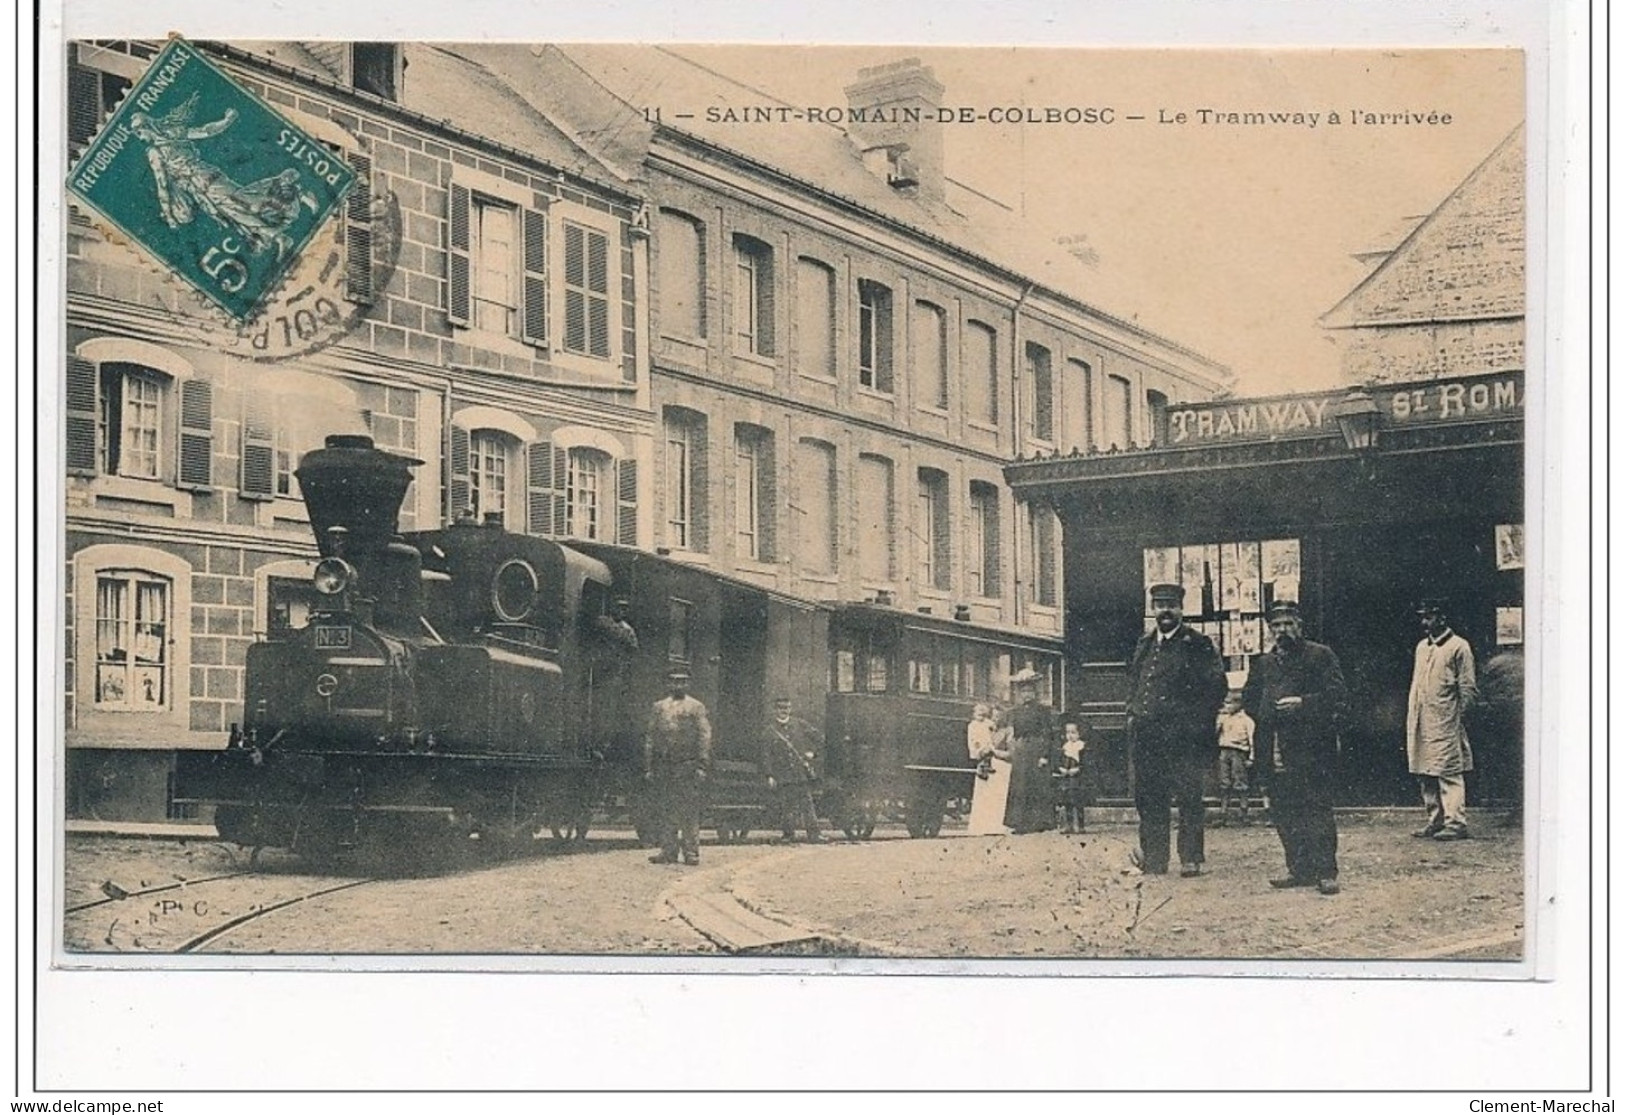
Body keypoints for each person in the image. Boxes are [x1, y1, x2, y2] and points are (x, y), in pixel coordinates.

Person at [1242, 600, 1349, 896]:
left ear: (1300, 626)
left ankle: (1326, 872)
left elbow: (1338, 696)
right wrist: (1268, 711)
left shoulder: (1320, 655)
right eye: (1276, 625)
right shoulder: (1263, 663)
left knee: (1316, 809)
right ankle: (1299, 869)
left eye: (1288, 624)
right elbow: (1249, 699)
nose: (1282, 630)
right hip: (1273, 747)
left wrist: (1303, 704)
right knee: (1284, 810)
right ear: (1269, 629)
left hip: (1311, 748)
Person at [1125, 582, 1228, 877]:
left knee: (1188, 798)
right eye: (1159, 605)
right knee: (1149, 797)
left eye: (1171, 604)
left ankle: (1190, 858)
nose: (1165, 610)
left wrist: (1195, 725)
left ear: (1181, 609)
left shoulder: (1197, 643)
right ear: (1153, 609)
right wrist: (1132, 712)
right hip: (1148, 737)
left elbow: (1216, 686)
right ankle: (1155, 859)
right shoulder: (1145, 644)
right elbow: (1135, 684)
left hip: (1183, 739)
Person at [1407, 598, 1479, 841]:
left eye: (1430, 617)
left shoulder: (1459, 647)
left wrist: (1460, 718)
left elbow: (1467, 687)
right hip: (1420, 718)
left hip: (1446, 719)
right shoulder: (1421, 647)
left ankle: (1456, 822)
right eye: (1423, 617)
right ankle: (1435, 820)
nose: (1425, 623)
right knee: (1425, 770)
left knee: (1448, 771)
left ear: (1442, 618)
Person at [643, 668, 713, 865]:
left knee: (688, 810)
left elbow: (704, 736)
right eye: (674, 681)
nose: (678, 685)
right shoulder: (658, 707)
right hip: (664, 766)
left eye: (682, 681)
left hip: (687, 766)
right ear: (668, 683)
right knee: (666, 809)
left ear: (688, 684)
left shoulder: (696, 707)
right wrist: (648, 766)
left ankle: (691, 852)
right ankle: (668, 851)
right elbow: (650, 737)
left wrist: (702, 765)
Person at [762, 696, 824, 844]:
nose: (784, 711)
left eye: (787, 708)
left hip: (800, 773)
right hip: (782, 775)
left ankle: (814, 835)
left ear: (790, 709)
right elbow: (766, 755)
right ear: (775, 710)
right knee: (787, 807)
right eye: (781, 708)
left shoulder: (800, 725)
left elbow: (820, 738)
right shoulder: (769, 731)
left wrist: (813, 754)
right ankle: (788, 835)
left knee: (807, 805)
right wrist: (769, 774)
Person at [1003, 668, 1059, 834]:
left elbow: (1047, 734)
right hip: (1021, 751)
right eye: (1024, 691)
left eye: (1030, 691)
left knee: (1037, 785)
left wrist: (1044, 755)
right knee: (1020, 786)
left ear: (1035, 692)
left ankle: (1039, 822)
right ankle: (1019, 823)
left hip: (1037, 748)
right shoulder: (1015, 711)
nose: (1027, 695)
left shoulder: (1043, 711)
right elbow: (1013, 732)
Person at [965, 703, 1012, 836]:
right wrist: (980, 751)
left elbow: (1010, 753)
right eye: (994, 716)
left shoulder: (1005, 730)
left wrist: (993, 751)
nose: (996, 718)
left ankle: (996, 826)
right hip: (985, 762)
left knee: (997, 796)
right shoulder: (978, 727)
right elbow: (974, 744)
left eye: (999, 716)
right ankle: (981, 827)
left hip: (1000, 765)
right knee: (983, 795)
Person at [1214, 689, 1256, 825]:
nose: (1227, 707)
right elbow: (1216, 734)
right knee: (1224, 782)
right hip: (1224, 751)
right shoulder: (1224, 718)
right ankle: (1223, 814)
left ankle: (1243, 813)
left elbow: (1252, 739)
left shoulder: (1247, 720)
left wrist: (1251, 757)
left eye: (1229, 704)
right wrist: (1219, 724)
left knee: (1240, 782)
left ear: (1238, 704)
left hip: (1239, 752)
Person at [1052, 720, 1088, 834]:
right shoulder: (1065, 747)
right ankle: (1069, 825)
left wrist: (1078, 769)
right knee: (1067, 801)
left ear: (1079, 734)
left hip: (1077, 778)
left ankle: (1081, 826)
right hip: (1066, 777)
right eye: (1068, 732)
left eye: (1073, 732)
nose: (1070, 735)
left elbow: (1086, 762)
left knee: (1078, 802)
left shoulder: (1081, 746)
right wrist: (1061, 768)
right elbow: (1059, 761)